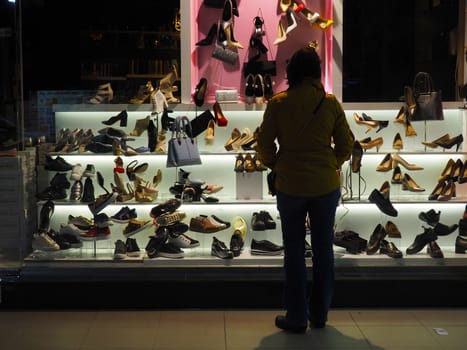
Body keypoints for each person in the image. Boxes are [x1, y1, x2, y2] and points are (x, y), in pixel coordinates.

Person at [255, 43, 354, 333]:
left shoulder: (278, 103)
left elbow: (263, 146)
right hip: (325, 186)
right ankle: (320, 314)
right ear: (317, 72)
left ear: (292, 72)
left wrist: (277, 164)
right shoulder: (331, 103)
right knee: (324, 249)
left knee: (294, 251)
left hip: (291, 186)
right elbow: (347, 146)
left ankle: (297, 316)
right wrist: (329, 163)